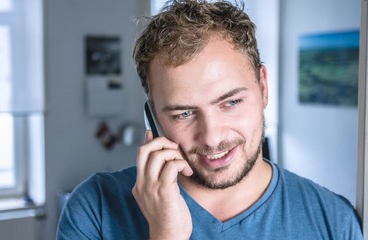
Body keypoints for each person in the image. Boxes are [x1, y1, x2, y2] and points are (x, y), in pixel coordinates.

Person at [57, 0, 362, 239]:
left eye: (230, 102)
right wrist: (166, 236)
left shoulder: (334, 219)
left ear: (263, 87)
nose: (212, 138)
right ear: (152, 117)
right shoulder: (94, 208)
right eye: (184, 113)